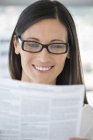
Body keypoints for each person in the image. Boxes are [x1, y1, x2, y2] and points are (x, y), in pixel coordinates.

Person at [8, 0, 93, 140]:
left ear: (69, 51)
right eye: (33, 44)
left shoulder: (87, 121)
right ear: (16, 44)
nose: (43, 58)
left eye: (56, 46)